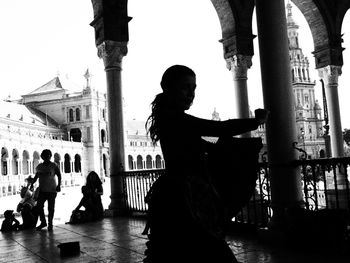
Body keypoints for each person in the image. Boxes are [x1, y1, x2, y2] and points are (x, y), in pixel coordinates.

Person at [144, 65, 268, 263]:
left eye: (194, 88)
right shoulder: (177, 119)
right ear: (168, 88)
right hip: (184, 197)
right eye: (185, 87)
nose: (191, 94)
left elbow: (202, 144)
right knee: (208, 248)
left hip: (178, 193)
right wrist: (255, 121)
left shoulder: (170, 119)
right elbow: (219, 128)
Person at [30, 149, 61, 231]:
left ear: (50, 156)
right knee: (39, 207)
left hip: (52, 190)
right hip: (42, 190)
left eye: (48, 156)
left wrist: (59, 185)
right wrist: (32, 183)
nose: (47, 157)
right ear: (42, 157)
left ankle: (50, 224)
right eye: (45, 156)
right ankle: (43, 222)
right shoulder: (39, 167)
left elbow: (59, 175)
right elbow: (36, 176)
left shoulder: (54, 165)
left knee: (51, 208)